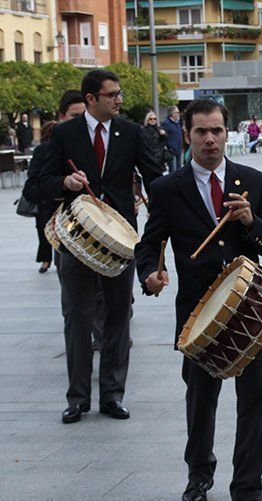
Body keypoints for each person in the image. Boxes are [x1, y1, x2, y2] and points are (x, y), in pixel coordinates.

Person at [135, 98, 262, 501]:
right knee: (201, 401)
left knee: (256, 401)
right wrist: (149, 273)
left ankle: (248, 484)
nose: (210, 139)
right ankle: (199, 473)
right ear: (187, 134)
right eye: (201, 131)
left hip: (252, 309)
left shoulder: (252, 179)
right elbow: (148, 245)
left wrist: (251, 220)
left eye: (217, 130)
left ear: (226, 131)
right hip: (198, 315)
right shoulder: (167, 188)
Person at [40, 69, 163, 424]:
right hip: (76, 242)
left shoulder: (132, 132)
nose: (119, 100)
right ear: (92, 99)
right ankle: (77, 398)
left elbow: (154, 178)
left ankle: (112, 395)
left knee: (117, 317)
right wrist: (64, 180)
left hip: (121, 239)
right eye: (112, 95)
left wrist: (167, 216)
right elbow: (41, 182)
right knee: (76, 318)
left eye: (119, 94)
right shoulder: (65, 133)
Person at [26, 91, 87, 275]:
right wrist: (61, 187)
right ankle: (45, 260)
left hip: (97, 228)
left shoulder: (100, 145)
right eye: (75, 116)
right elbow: (32, 188)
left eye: (84, 116)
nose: (80, 122)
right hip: (63, 227)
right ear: (62, 117)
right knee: (75, 295)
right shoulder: (45, 151)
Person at [22, 120, 59, 273]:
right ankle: (51, 260)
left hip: (48, 200)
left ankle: (47, 260)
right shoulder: (44, 150)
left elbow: (32, 178)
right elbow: (34, 179)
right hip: (49, 199)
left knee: (45, 231)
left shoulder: (41, 150)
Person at [161, 105, 183, 173]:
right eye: (177, 112)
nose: (179, 114)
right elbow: (163, 136)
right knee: (173, 172)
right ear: (173, 113)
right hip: (171, 151)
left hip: (179, 150)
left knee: (179, 171)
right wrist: (168, 147)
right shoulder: (166, 123)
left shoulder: (177, 124)